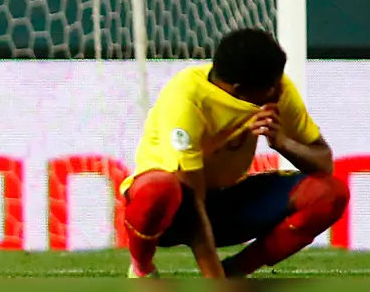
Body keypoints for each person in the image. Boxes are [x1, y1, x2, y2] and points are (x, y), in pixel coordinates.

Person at [120, 28, 349, 279]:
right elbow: (194, 205)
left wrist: (283, 143)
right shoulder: (187, 98)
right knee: (158, 189)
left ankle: (237, 271)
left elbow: (324, 162)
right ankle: (143, 269)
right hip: (175, 211)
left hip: (227, 202)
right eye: (271, 86)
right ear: (239, 89)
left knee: (330, 194)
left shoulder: (276, 87)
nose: (280, 89)